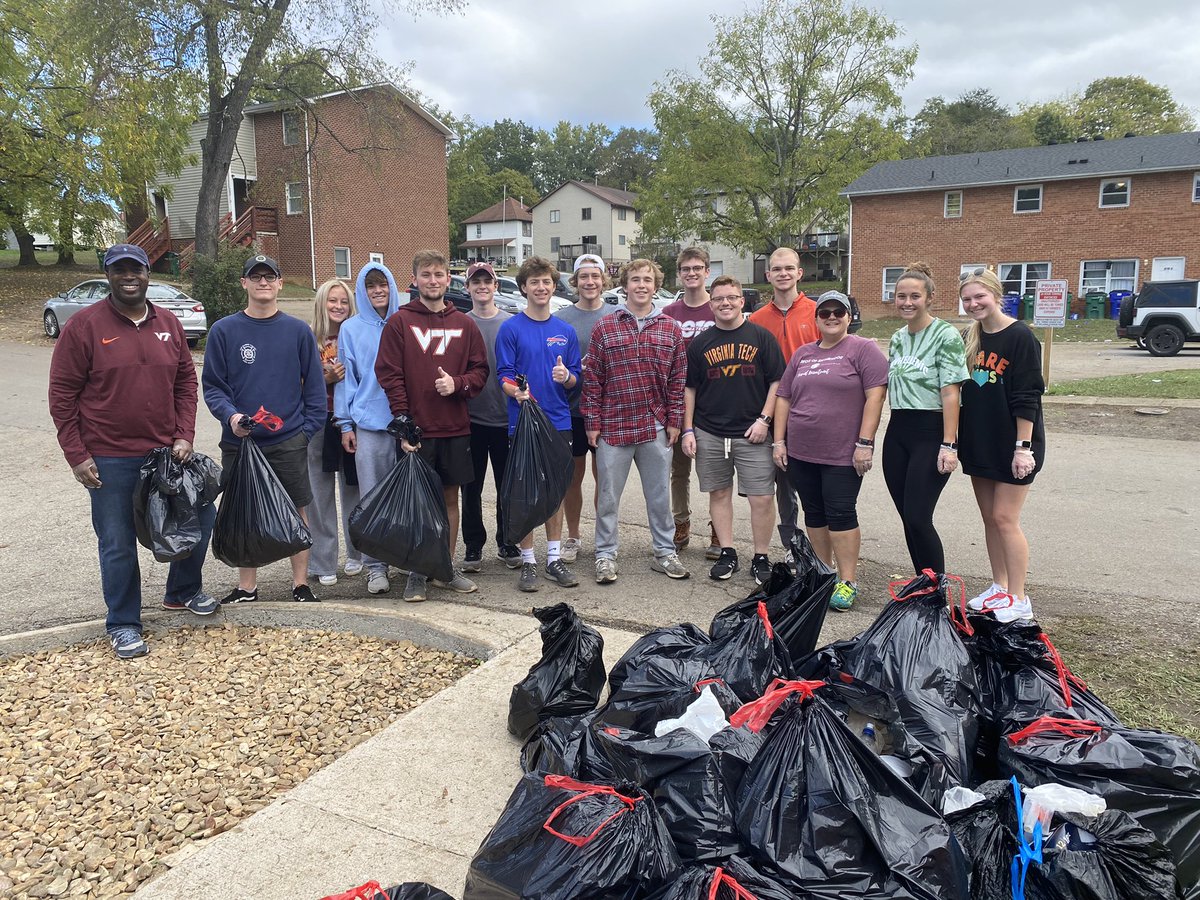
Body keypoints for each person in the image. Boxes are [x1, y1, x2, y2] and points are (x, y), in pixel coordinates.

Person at [48, 243, 218, 659]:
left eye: (136, 269)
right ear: (108, 275)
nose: (129, 276)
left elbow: (184, 383)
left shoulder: (169, 324)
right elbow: (62, 395)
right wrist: (76, 453)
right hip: (109, 457)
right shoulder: (85, 326)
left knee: (199, 516)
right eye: (119, 269)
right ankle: (123, 623)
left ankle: (182, 591)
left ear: (147, 274)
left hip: (165, 452)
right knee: (118, 541)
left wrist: (184, 434)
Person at [202, 254, 326, 604]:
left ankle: (300, 583)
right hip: (241, 440)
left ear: (280, 283)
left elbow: (315, 389)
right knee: (245, 508)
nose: (263, 283)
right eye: (255, 277)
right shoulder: (224, 331)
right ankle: (247, 587)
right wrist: (231, 418)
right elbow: (213, 386)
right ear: (244, 283)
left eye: (269, 276)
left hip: (288, 439)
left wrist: (306, 431)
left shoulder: (298, 331)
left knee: (298, 509)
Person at [376, 249, 488, 601]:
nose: (434, 280)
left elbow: (480, 371)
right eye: (427, 274)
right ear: (415, 280)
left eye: (439, 274)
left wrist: (458, 384)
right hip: (418, 431)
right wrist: (404, 422)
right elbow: (389, 374)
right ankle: (416, 572)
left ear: (447, 279)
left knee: (449, 498)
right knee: (418, 503)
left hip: (455, 427)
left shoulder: (465, 323)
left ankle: (444, 567)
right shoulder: (400, 322)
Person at [772, 290, 887, 611]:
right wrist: (779, 441)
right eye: (825, 312)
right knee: (815, 513)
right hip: (801, 452)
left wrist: (865, 443)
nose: (832, 317)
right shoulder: (803, 354)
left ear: (849, 317)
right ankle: (823, 572)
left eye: (839, 311)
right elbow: (784, 397)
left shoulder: (864, 349)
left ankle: (847, 581)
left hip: (843, 454)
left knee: (841, 513)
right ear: (817, 318)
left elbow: (875, 398)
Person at [581, 258, 689, 583]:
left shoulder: (670, 328)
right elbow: (593, 379)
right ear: (624, 285)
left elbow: (677, 379)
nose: (641, 285)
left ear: (656, 286)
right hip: (613, 426)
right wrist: (592, 422)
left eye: (647, 280)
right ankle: (605, 555)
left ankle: (665, 552)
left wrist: (674, 420)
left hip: (655, 425)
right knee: (608, 497)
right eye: (635, 280)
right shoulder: (605, 327)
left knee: (658, 495)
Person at [681, 276, 785, 584]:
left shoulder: (761, 337)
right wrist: (688, 430)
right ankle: (727, 552)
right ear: (711, 303)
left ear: (742, 301)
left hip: (753, 430)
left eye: (731, 298)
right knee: (719, 492)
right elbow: (690, 389)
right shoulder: (700, 343)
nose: (725, 303)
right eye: (719, 299)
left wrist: (764, 420)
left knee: (762, 497)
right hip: (710, 431)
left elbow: (777, 383)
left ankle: (761, 555)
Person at [958, 267, 1045, 623]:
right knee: (989, 520)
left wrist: (1023, 447)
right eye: (967, 299)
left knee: (1006, 519)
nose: (974, 303)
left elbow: (1029, 396)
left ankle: (1019, 598)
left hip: (1014, 444)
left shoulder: (1021, 337)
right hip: (979, 440)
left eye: (980, 296)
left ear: (996, 295)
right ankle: (999, 586)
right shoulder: (969, 336)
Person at [495, 256, 583, 591]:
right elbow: (503, 375)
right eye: (534, 282)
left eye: (546, 281)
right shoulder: (511, 328)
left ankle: (554, 558)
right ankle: (528, 561)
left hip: (559, 421)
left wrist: (567, 376)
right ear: (523, 288)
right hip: (523, 422)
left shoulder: (565, 332)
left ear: (553, 285)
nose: (541, 287)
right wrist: (516, 393)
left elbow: (576, 378)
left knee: (556, 492)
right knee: (528, 492)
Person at [882, 262, 969, 576]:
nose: (907, 302)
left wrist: (949, 443)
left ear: (929, 298)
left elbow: (950, 393)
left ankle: (938, 592)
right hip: (898, 430)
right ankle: (924, 583)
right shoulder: (897, 338)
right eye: (900, 295)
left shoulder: (945, 335)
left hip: (930, 431)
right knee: (907, 516)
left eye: (914, 296)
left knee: (919, 517)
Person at [334, 262, 404, 595]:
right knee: (371, 498)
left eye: (383, 284)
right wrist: (345, 423)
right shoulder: (350, 329)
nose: (378, 291)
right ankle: (375, 567)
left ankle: (406, 556)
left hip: (404, 426)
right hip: (369, 426)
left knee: (404, 495)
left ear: (392, 287)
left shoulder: (405, 322)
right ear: (362, 290)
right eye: (371, 285)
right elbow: (346, 380)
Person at [750, 247, 819, 556]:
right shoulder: (757, 319)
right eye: (777, 269)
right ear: (768, 275)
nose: (783, 273)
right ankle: (791, 546)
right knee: (783, 484)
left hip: (813, 411)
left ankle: (819, 547)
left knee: (814, 484)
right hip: (774, 410)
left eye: (789, 268)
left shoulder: (818, 312)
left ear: (799, 273)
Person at [460, 261, 521, 574]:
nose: (482, 286)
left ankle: (507, 542)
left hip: (505, 419)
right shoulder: (460, 323)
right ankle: (473, 545)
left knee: (507, 485)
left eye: (487, 281)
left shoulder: (510, 323)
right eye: (476, 282)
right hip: (470, 419)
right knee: (471, 488)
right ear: (468, 288)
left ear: (496, 286)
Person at [554, 253, 611, 563]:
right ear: (574, 282)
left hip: (608, 412)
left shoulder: (617, 315)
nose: (590, 282)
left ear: (603, 280)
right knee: (572, 478)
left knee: (605, 477)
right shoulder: (562, 319)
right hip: (571, 411)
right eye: (584, 277)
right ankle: (573, 537)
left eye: (595, 276)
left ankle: (603, 538)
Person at [307, 278, 363, 587]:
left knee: (353, 488)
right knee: (319, 493)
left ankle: (357, 552)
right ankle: (323, 560)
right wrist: (323, 378)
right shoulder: (307, 337)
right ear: (321, 303)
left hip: (352, 420)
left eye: (343, 300)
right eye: (332, 300)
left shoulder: (355, 335)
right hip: (318, 421)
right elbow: (295, 383)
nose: (338, 306)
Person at [662, 246, 715, 555]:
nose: (692, 273)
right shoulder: (669, 313)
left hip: (714, 405)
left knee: (713, 473)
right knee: (678, 471)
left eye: (697, 268)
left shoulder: (718, 308)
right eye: (686, 269)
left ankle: (718, 531)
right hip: (678, 405)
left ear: (707, 271)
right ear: (679, 274)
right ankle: (680, 523)